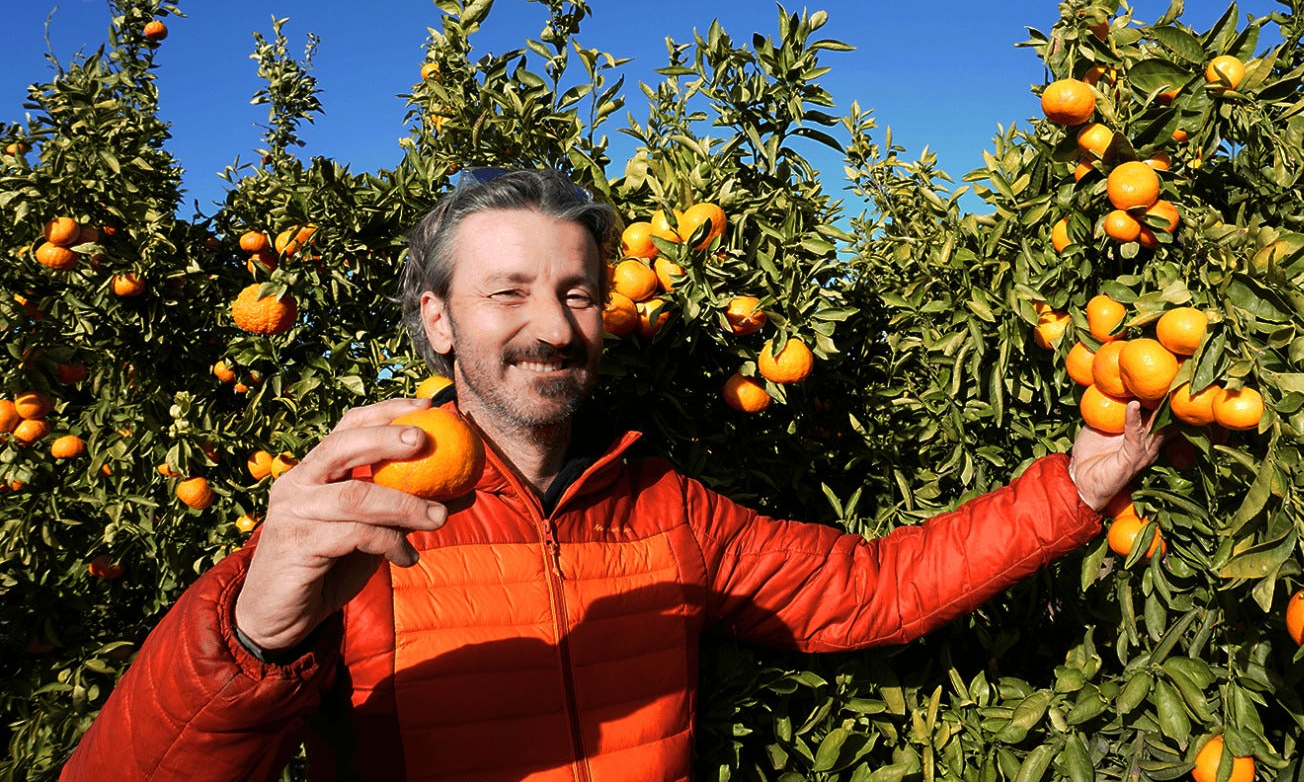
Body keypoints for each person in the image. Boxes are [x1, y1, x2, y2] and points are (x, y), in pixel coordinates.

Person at [63, 169, 1162, 782]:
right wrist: (254, 631)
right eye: (506, 294)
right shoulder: (362, 510)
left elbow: (869, 590)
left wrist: (1078, 486)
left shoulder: (663, 505)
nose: (551, 325)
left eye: (578, 292)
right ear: (437, 323)